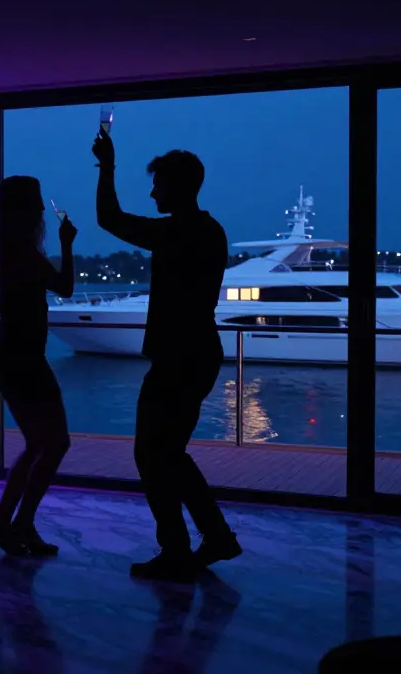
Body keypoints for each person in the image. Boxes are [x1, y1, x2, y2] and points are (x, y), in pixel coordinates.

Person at [91, 130, 242, 582]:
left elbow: (109, 218)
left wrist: (107, 165)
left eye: (158, 185)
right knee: (167, 453)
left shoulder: (179, 231)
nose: (153, 192)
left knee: (153, 454)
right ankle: (208, 538)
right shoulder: (209, 230)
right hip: (198, 354)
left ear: (177, 187)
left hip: (179, 359)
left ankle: (183, 546)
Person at [0, 176, 76, 556]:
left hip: (9, 354)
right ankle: (15, 525)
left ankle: (8, 525)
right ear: (20, 210)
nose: (41, 210)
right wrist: (67, 245)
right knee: (54, 443)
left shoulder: (4, 248)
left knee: (41, 443)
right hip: (23, 357)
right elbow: (65, 287)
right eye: (35, 203)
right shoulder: (22, 252)